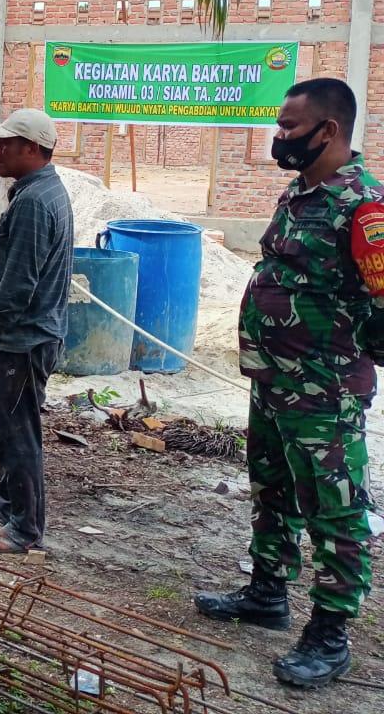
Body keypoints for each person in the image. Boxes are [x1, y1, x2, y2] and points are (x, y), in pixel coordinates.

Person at [194, 78, 377, 689]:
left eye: (289, 127)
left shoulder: (365, 205)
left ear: (327, 130)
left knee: (334, 509)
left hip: (323, 392)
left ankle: (330, 633)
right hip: (274, 382)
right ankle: (267, 592)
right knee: (270, 489)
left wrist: (350, 364)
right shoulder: (301, 192)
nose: (279, 137)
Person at [0, 109, 72, 554]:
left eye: (5, 144)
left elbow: (19, 282)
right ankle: (6, 501)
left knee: (17, 431)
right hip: (26, 335)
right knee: (4, 425)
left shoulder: (33, 202)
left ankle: (25, 528)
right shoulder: (39, 191)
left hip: (22, 339)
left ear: (31, 148)